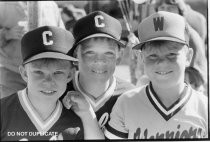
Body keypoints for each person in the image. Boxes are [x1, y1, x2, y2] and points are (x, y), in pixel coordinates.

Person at [104, 11, 208, 139]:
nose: (162, 63)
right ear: (141, 58)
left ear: (188, 56)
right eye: (153, 55)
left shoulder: (204, 108)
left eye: (171, 54)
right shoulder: (126, 104)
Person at [0, 26, 103, 141]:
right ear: (24, 73)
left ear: (70, 75)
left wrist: (87, 114)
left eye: (58, 72)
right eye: (38, 72)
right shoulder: (3, 112)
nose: (48, 81)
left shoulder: (77, 119)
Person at [62, 11, 135, 132]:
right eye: (90, 53)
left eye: (109, 53)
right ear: (76, 54)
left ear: (119, 55)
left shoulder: (131, 96)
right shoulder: (59, 92)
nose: (100, 61)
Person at [0, 1, 66, 98]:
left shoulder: (51, 6)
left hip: (46, 75)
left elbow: (63, 37)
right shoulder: (3, 6)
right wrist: (7, 34)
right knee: (13, 111)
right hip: (13, 74)